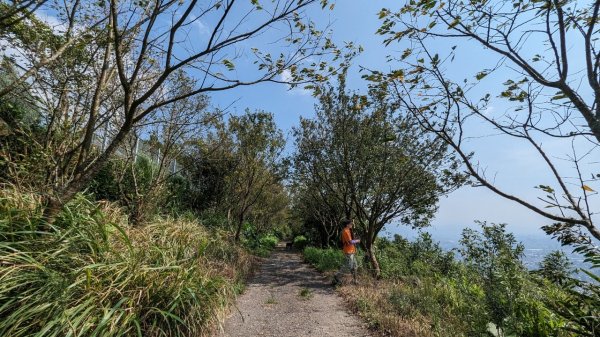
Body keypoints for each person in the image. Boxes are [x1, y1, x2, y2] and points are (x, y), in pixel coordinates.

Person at [333, 219, 360, 285]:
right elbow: (350, 242)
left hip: (352, 251)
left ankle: (355, 281)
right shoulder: (345, 231)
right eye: (351, 224)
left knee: (354, 266)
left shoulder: (348, 230)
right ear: (347, 225)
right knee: (348, 266)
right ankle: (337, 276)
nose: (352, 225)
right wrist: (357, 241)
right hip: (348, 251)